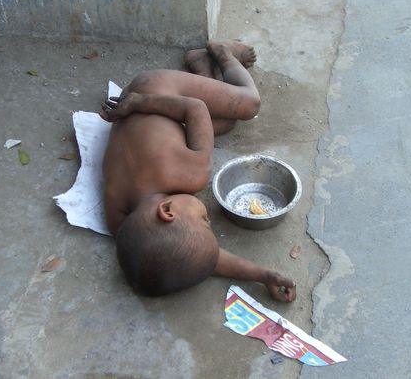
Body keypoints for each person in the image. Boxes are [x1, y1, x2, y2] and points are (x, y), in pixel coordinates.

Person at [99, 40, 296, 302]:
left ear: (167, 211)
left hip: (155, 89)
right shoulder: (123, 227)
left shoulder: (190, 173)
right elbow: (190, 255)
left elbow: (195, 108)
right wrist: (263, 275)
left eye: (204, 222)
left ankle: (223, 52)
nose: (209, 220)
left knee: (248, 104)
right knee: (225, 123)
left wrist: (140, 102)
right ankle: (201, 64)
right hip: (140, 113)